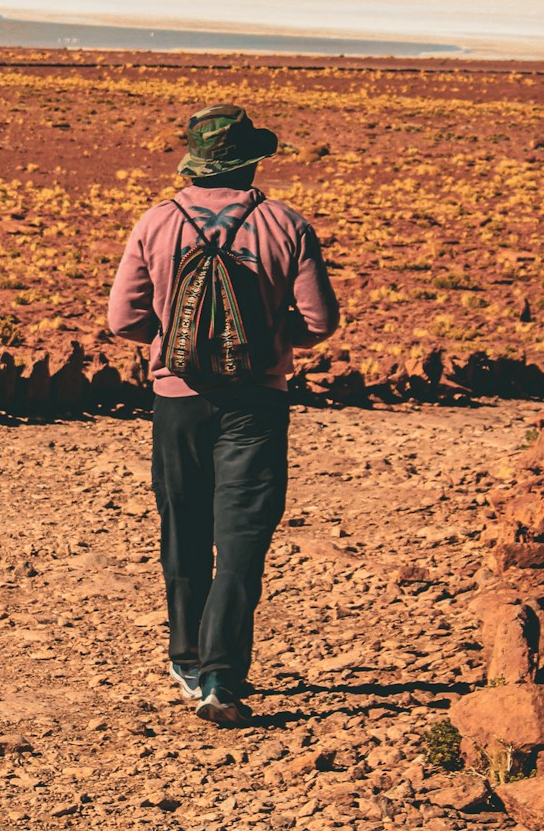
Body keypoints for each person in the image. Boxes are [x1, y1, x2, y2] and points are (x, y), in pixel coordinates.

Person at [107, 104, 339, 725]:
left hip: (177, 400)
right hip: (257, 404)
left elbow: (122, 320)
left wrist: (175, 339)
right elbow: (319, 321)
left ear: (194, 160)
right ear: (253, 159)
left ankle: (185, 657)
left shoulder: (156, 222)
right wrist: (263, 338)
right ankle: (221, 675)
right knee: (242, 537)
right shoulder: (287, 224)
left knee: (183, 526)